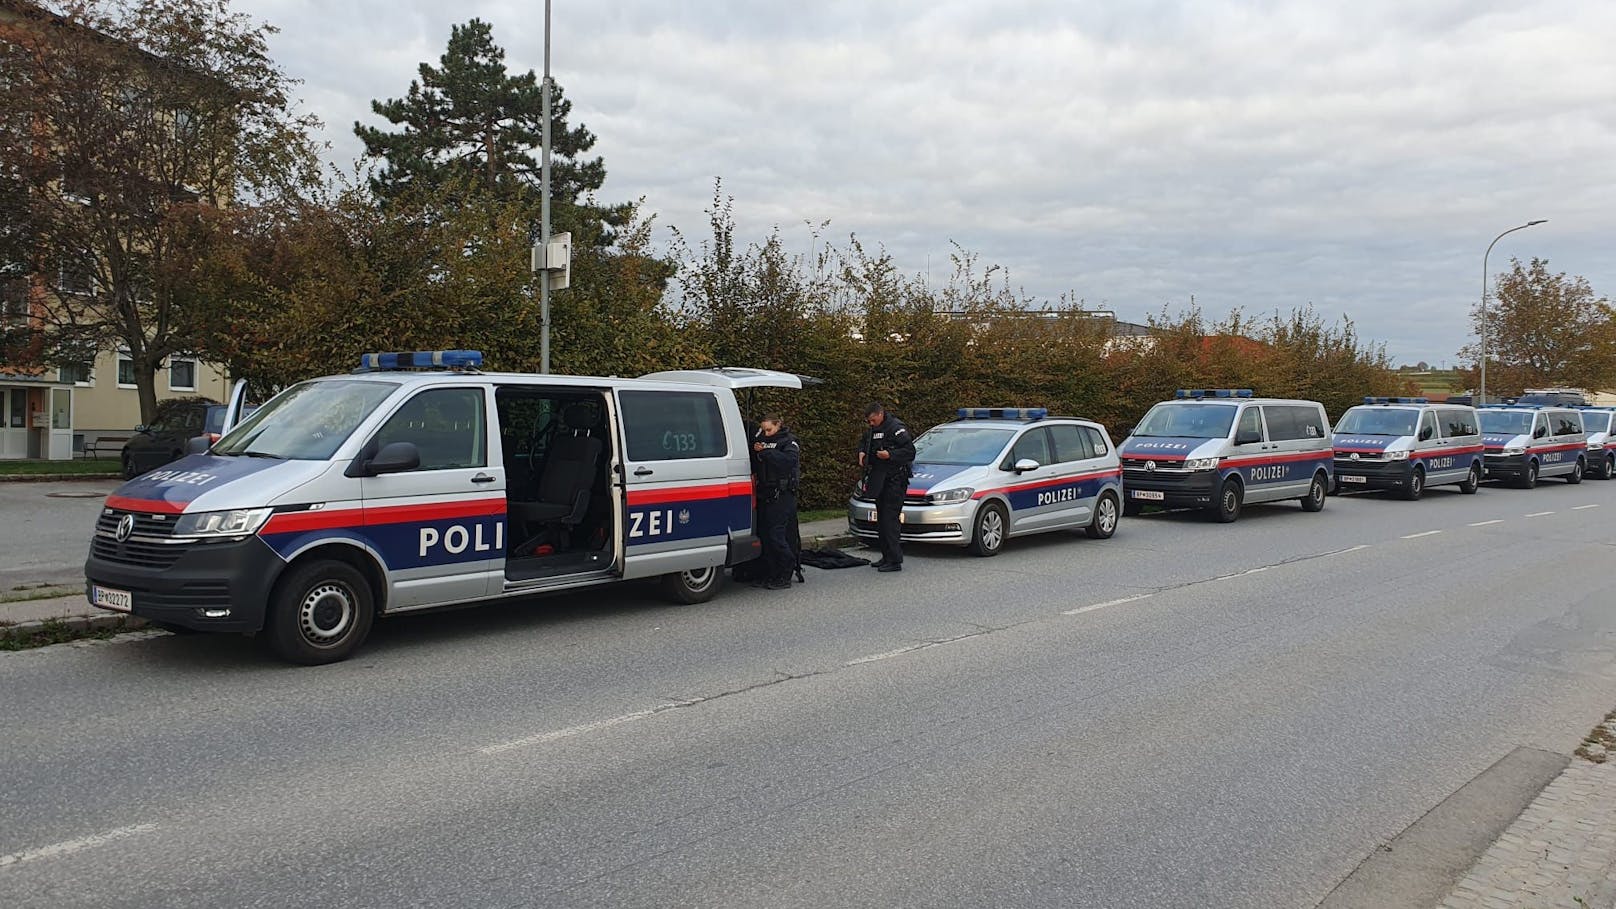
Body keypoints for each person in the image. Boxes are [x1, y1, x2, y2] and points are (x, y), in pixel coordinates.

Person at [859, 402, 916, 572]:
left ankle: (895, 560)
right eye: (869, 421)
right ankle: (886, 556)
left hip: (895, 480)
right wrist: (862, 451)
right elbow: (865, 441)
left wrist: (890, 455)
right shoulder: (874, 430)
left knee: (890, 520)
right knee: (881, 519)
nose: (871, 424)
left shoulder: (896, 428)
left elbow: (910, 451)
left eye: (873, 420)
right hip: (880, 479)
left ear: (881, 414)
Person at [751, 415, 801, 590]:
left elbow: (789, 461)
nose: (766, 433)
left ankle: (786, 572)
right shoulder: (761, 439)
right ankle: (771, 573)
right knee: (765, 535)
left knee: (776, 535)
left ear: (778, 425)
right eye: (764, 430)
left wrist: (765, 452)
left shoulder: (788, 442)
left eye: (769, 429)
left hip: (783, 494)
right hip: (765, 493)